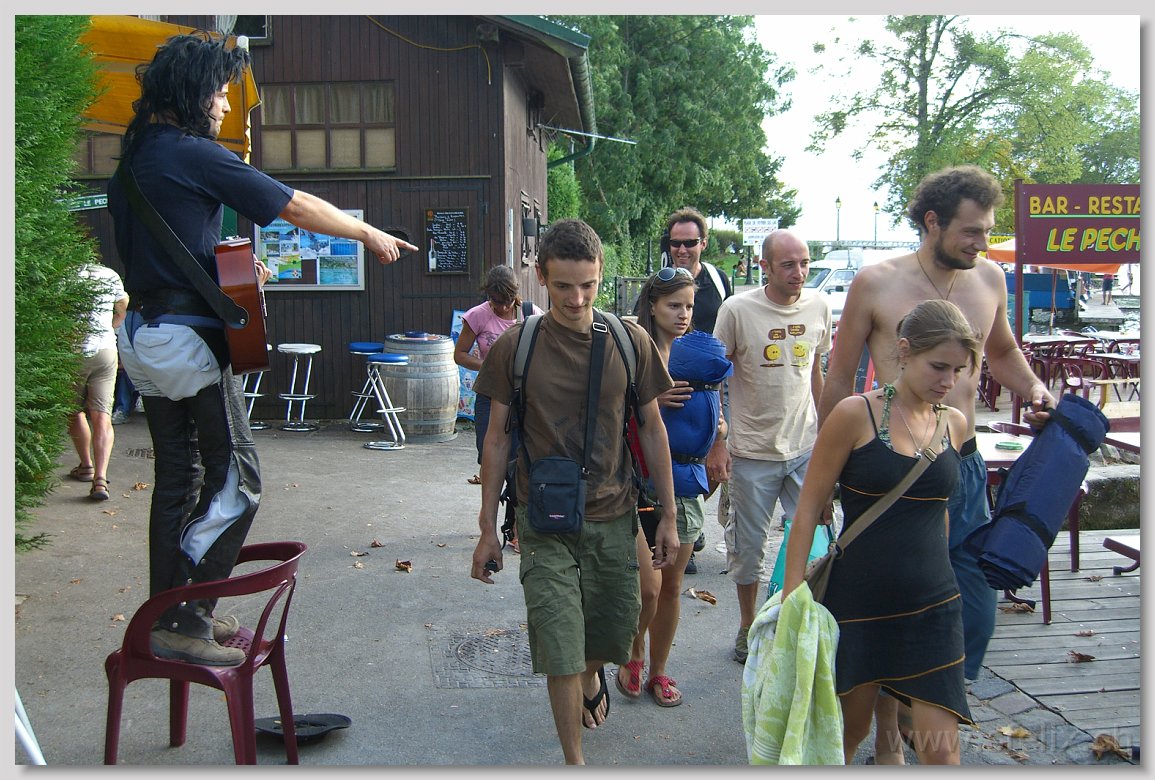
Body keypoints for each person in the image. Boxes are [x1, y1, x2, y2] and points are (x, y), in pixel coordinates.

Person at [107, 32, 417, 667]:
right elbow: (293, 205)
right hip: (188, 343)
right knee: (239, 478)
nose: (225, 106)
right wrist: (365, 231)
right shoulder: (192, 153)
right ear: (193, 93)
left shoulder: (134, 159)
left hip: (142, 337)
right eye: (220, 93)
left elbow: (168, 257)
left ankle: (173, 614)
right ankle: (186, 614)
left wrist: (233, 278)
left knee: (179, 480)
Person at [817, 164, 1053, 762]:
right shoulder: (876, 282)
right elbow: (840, 378)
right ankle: (892, 733)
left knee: (974, 605)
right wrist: (828, 473)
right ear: (932, 221)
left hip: (961, 465)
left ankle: (916, 710)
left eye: (987, 231)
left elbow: (1003, 351)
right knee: (890, 600)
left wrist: (1035, 390)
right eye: (971, 231)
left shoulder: (990, 280)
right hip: (888, 467)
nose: (981, 242)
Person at [470, 219, 679, 765]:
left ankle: (593, 673)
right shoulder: (516, 347)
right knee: (560, 645)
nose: (576, 298)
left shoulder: (629, 342)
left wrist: (669, 515)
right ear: (540, 277)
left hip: (614, 510)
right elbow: (497, 439)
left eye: (587, 285)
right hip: (544, 519)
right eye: (563, 285)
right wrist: (487, 528)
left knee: (634, 608)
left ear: (601, 275)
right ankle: (574, 762)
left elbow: (652, 429)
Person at [784, 299, 979, 764]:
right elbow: (808, 508)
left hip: (933, 603)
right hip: (859, 603)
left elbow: (940, 512)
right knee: (846, 737)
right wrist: (793, 598)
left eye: (958, 370)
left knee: (942, 753)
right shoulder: (855, 414)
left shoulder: (955, 423)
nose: (948, 381)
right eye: (938, 366)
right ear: (905, 351)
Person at [705, 228, 832, 664]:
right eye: (788, 265)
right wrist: (718, 441)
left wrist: (828, 438)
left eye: (805, 263)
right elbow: (714, 379)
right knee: (747, 548)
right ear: (764, 266)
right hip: (751, 452)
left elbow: (816, 374)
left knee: (814, 538)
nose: (799, 273)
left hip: (805, 448)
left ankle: (795, 621)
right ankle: (747, 627)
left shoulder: (819, 307)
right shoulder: (737, 310)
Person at [616, 267, 731, 707]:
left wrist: (718, 436)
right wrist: (648, 400)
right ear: (652, 305)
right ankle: (634, 652)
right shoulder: (632, 350)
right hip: (634, 485)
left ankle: (659, 670)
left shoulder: (692, 356)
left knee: (671, 586)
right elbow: (610, 411)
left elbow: (715, 410)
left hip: (683, 486)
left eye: (689, 306)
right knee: (646, 587)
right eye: (674, 305)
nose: (683, 314)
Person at [664, 206, 734, 572]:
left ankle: (691, 520)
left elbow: (730, 339)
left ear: (703, 243)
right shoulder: (661, 282)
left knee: (716, 461)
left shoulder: (720, 282)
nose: (682, 249)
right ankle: (682, 530)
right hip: (674, 389)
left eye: (689, 242)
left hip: (711, 388)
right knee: (676, 459)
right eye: (675, 243)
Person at [454, 265, 543, 492]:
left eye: (508, 301)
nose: (503, 307)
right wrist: (490, 365)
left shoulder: (531, 314)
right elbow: (460, 355)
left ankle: (516, 508)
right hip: (490, 394)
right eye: (496, 301)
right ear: (488, 295)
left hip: (523, 397)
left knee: (521, 455)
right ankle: (489, 510)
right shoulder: (477, 316)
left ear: (516, 294)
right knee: (489, 455)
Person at [67, 263, 129, 501]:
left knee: (74, 412)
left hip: (74, 351)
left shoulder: (65, 274)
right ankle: (100, 480)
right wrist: (107, 327)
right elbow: (122, 310)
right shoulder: (110, 274)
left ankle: (86, 465)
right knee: (102, 416)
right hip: (104, 350)